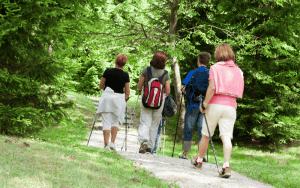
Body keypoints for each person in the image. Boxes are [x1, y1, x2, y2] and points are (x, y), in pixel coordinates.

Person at [191, 43, 244, 178]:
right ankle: (226, 166)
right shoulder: (238, 70)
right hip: (231, 105)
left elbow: (212, 87)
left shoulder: (215, 68)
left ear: (217, 54)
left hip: (215, 104)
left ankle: (199, 161)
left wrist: (205, 103)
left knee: (206, 135)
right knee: (226, 137)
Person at [179, 52, 211, 160]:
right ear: (208, 62)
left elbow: (184, 89)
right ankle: (201, 155)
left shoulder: (192, 72)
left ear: (198, 60)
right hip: (205, 106)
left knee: (189, 128)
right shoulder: (211, 74)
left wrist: (184, 91)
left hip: (192, 104)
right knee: (203, 130)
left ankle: (185, 152)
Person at [137, 52, 171, 154]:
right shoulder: (165, 74)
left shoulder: (146, 70)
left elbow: (139, 86)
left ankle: (144, 140)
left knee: (145, 122)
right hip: (159, 102)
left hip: (146, 100)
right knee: (154, 124)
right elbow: (168, 91)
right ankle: (149, 148)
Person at [98, 54, 130, 151]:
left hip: (107, 98)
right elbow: (127, 91)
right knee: (115, 122)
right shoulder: (125, 75)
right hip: (118, 99)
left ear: (115, 61)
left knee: (106, 122)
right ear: (124, 64)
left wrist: (105, 88)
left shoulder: (108, 71)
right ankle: (112, 143)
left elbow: (100, 85)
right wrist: (125, 98)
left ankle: (106, 145)